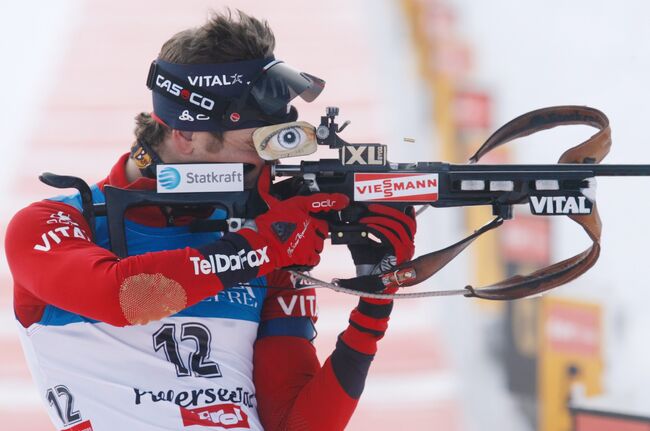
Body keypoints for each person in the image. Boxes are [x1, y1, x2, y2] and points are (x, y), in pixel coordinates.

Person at [5, 10, 416, 431]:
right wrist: (260, 249)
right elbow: (123, 298)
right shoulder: (54, 222)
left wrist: (374, 304)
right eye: (255, 144)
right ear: (184, 136)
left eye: (280, 142)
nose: (270, 164)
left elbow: (297, 424)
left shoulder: (258, 239)